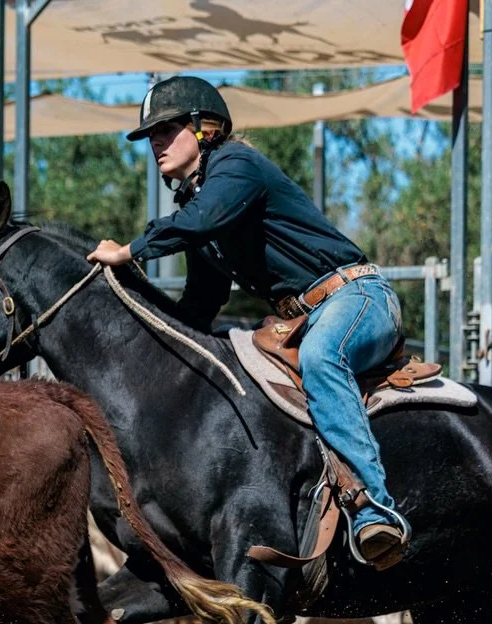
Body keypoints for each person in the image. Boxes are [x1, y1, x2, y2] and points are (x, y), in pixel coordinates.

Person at [87, 75, 410, 570]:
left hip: (358, 296)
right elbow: (202, 301)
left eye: (165, 129)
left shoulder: (237, 166)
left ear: (204, 128)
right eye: (149, 135)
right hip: (299, 319)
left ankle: (373, 509)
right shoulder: (198, 208)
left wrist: (129, 251)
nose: (155, 143)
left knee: (324, 357)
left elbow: (202, 220)